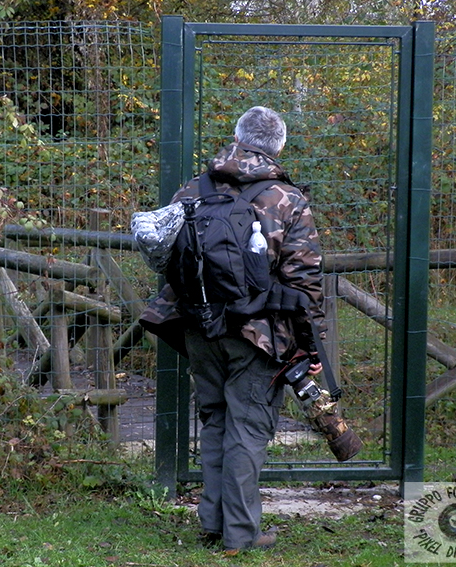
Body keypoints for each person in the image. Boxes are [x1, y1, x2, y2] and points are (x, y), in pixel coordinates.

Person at [139, 106, 326, 555]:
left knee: (217, 421)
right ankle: (240, 534)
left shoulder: (192, 189)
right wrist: (310, 346)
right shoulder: (287, 199)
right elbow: (304, 285)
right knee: (249, 428)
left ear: (237, 137)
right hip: (259, 335)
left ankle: (212, 523)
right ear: (278, 147)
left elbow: (168, 258)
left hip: (197, 325)